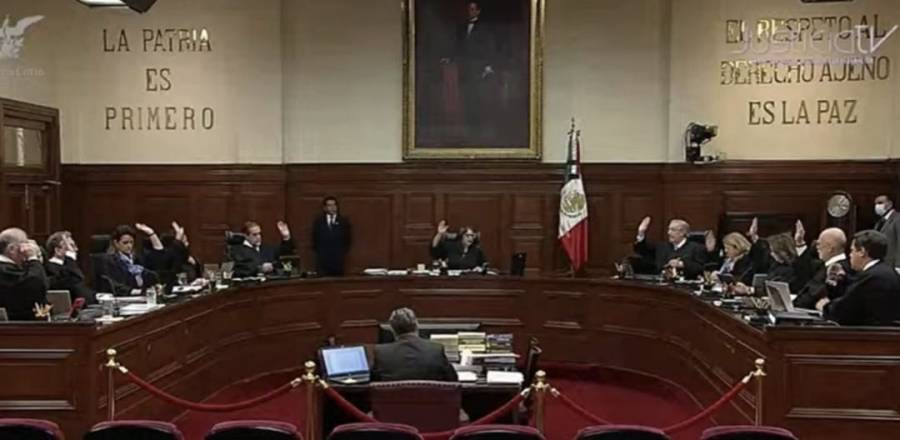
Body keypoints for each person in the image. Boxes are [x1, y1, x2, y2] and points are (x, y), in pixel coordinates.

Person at [819, 230, 900, 326]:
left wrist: (824, 306)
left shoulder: (872, 278)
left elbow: (844, 310)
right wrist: (842, 280)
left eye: (852, 250)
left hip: (870, 333)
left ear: (862, 252)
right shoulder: (887, 272)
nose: (850, 255)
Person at [371, 307, 458, 382]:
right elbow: (453, 380)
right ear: (416, 325)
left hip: (394, 397)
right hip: (430, 396)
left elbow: (373, 383)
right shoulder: (435, 349)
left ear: (392, 329)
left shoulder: (382, 353)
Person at [96, 224, 164, 295]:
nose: (129, 246)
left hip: (144, 296)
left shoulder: (138, 257)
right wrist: (137, 292)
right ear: (116, 243)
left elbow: (159, 255)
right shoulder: (109, 261)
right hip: (125, 297)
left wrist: (151, 233)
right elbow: (114, 285)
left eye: (131, 242)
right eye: (125, 243)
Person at [793, 228, 852, 309]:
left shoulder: (837, 269)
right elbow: (804, 269)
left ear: (830, 248)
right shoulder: (824, 265)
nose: (817, 247)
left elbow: (814, 295)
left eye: (819, 244)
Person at [633, 217, 707, 279]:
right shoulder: (662, 247)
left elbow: (701, 268)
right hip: (661, 285)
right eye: (669, 229)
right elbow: (642, 250)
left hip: (685, 286)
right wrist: (641, 232)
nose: (669, 233)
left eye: (673, 230)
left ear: (682, 232)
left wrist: (682, 264)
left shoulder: (696, 248)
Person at [0, 227, 49, 320]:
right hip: (17, 325)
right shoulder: (4, 270)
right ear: (12, 249)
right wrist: (33, 258)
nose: (28, 248)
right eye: (25, 244)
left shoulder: (13, 268)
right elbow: (37, 285)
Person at [228, 221, 295, 278]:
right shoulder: (237, 251)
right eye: (255, 235)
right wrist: (260, 269)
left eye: (259, 234)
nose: (259, 237)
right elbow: (239, 270)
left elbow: (285, 252)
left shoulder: (267, 249)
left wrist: (286, 237)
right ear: (246, 236)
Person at [45, 231, 94, 304]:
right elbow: (74, 282)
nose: (76, 249)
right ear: (58, 250)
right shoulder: (50, 269)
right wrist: (70, 259)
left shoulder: (69, 266)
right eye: (72, 246)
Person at [311, 196, 352, 276]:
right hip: (322, 259)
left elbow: (347, 240)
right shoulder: (319, 222)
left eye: (334, 205)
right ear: (325, 208)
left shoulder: (343, 221)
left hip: (338, 260)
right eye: (329, 205)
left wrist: (341, 252)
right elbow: (315, 239)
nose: (332, 208)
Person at [873, 195, 900, 269]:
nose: (877, 206)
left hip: (893, 265)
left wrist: (898, 265)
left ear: (890, 204)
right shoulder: (879, 222)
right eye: (875, 204)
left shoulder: (898, 219)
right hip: (880, 264)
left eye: (880, 203)